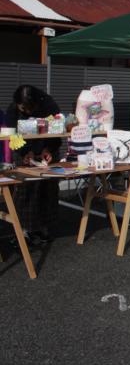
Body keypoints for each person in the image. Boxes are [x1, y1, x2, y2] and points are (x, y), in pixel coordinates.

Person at [5, 85, 62, 246]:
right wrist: (25, 152)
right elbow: (12, 136)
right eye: (24, 108)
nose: (27, 111)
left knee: (48, 189)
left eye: (31, 107)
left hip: (46, 152)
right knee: (25, 190)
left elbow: (57, 130)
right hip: (25, 152)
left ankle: (44, 229)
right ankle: (22, 231)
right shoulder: (13, 110)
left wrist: (48, 149)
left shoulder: (49, 105)